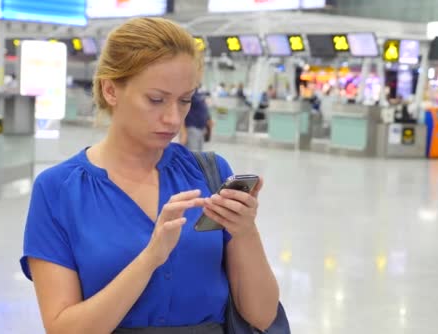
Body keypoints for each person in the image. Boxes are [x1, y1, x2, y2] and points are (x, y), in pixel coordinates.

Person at [20, 17, 279, 334]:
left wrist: (245, 232)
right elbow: (63, 328)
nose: (173, 118)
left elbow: (261, 317)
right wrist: (151, 258)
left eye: (185, 100)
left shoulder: (209, 174)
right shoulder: (59, 190)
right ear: (111, 89)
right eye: (156, 99)